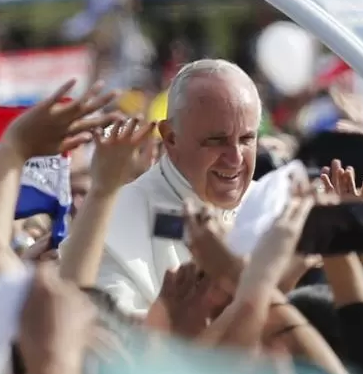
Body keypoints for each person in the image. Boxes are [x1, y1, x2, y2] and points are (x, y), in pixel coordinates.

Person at [94, 59, 261, 314]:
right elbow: (114, 341)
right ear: (171, 138)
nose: (235, 158)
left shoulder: (273, 205)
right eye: (217, 141)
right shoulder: (115, 220)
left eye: (247, 139)